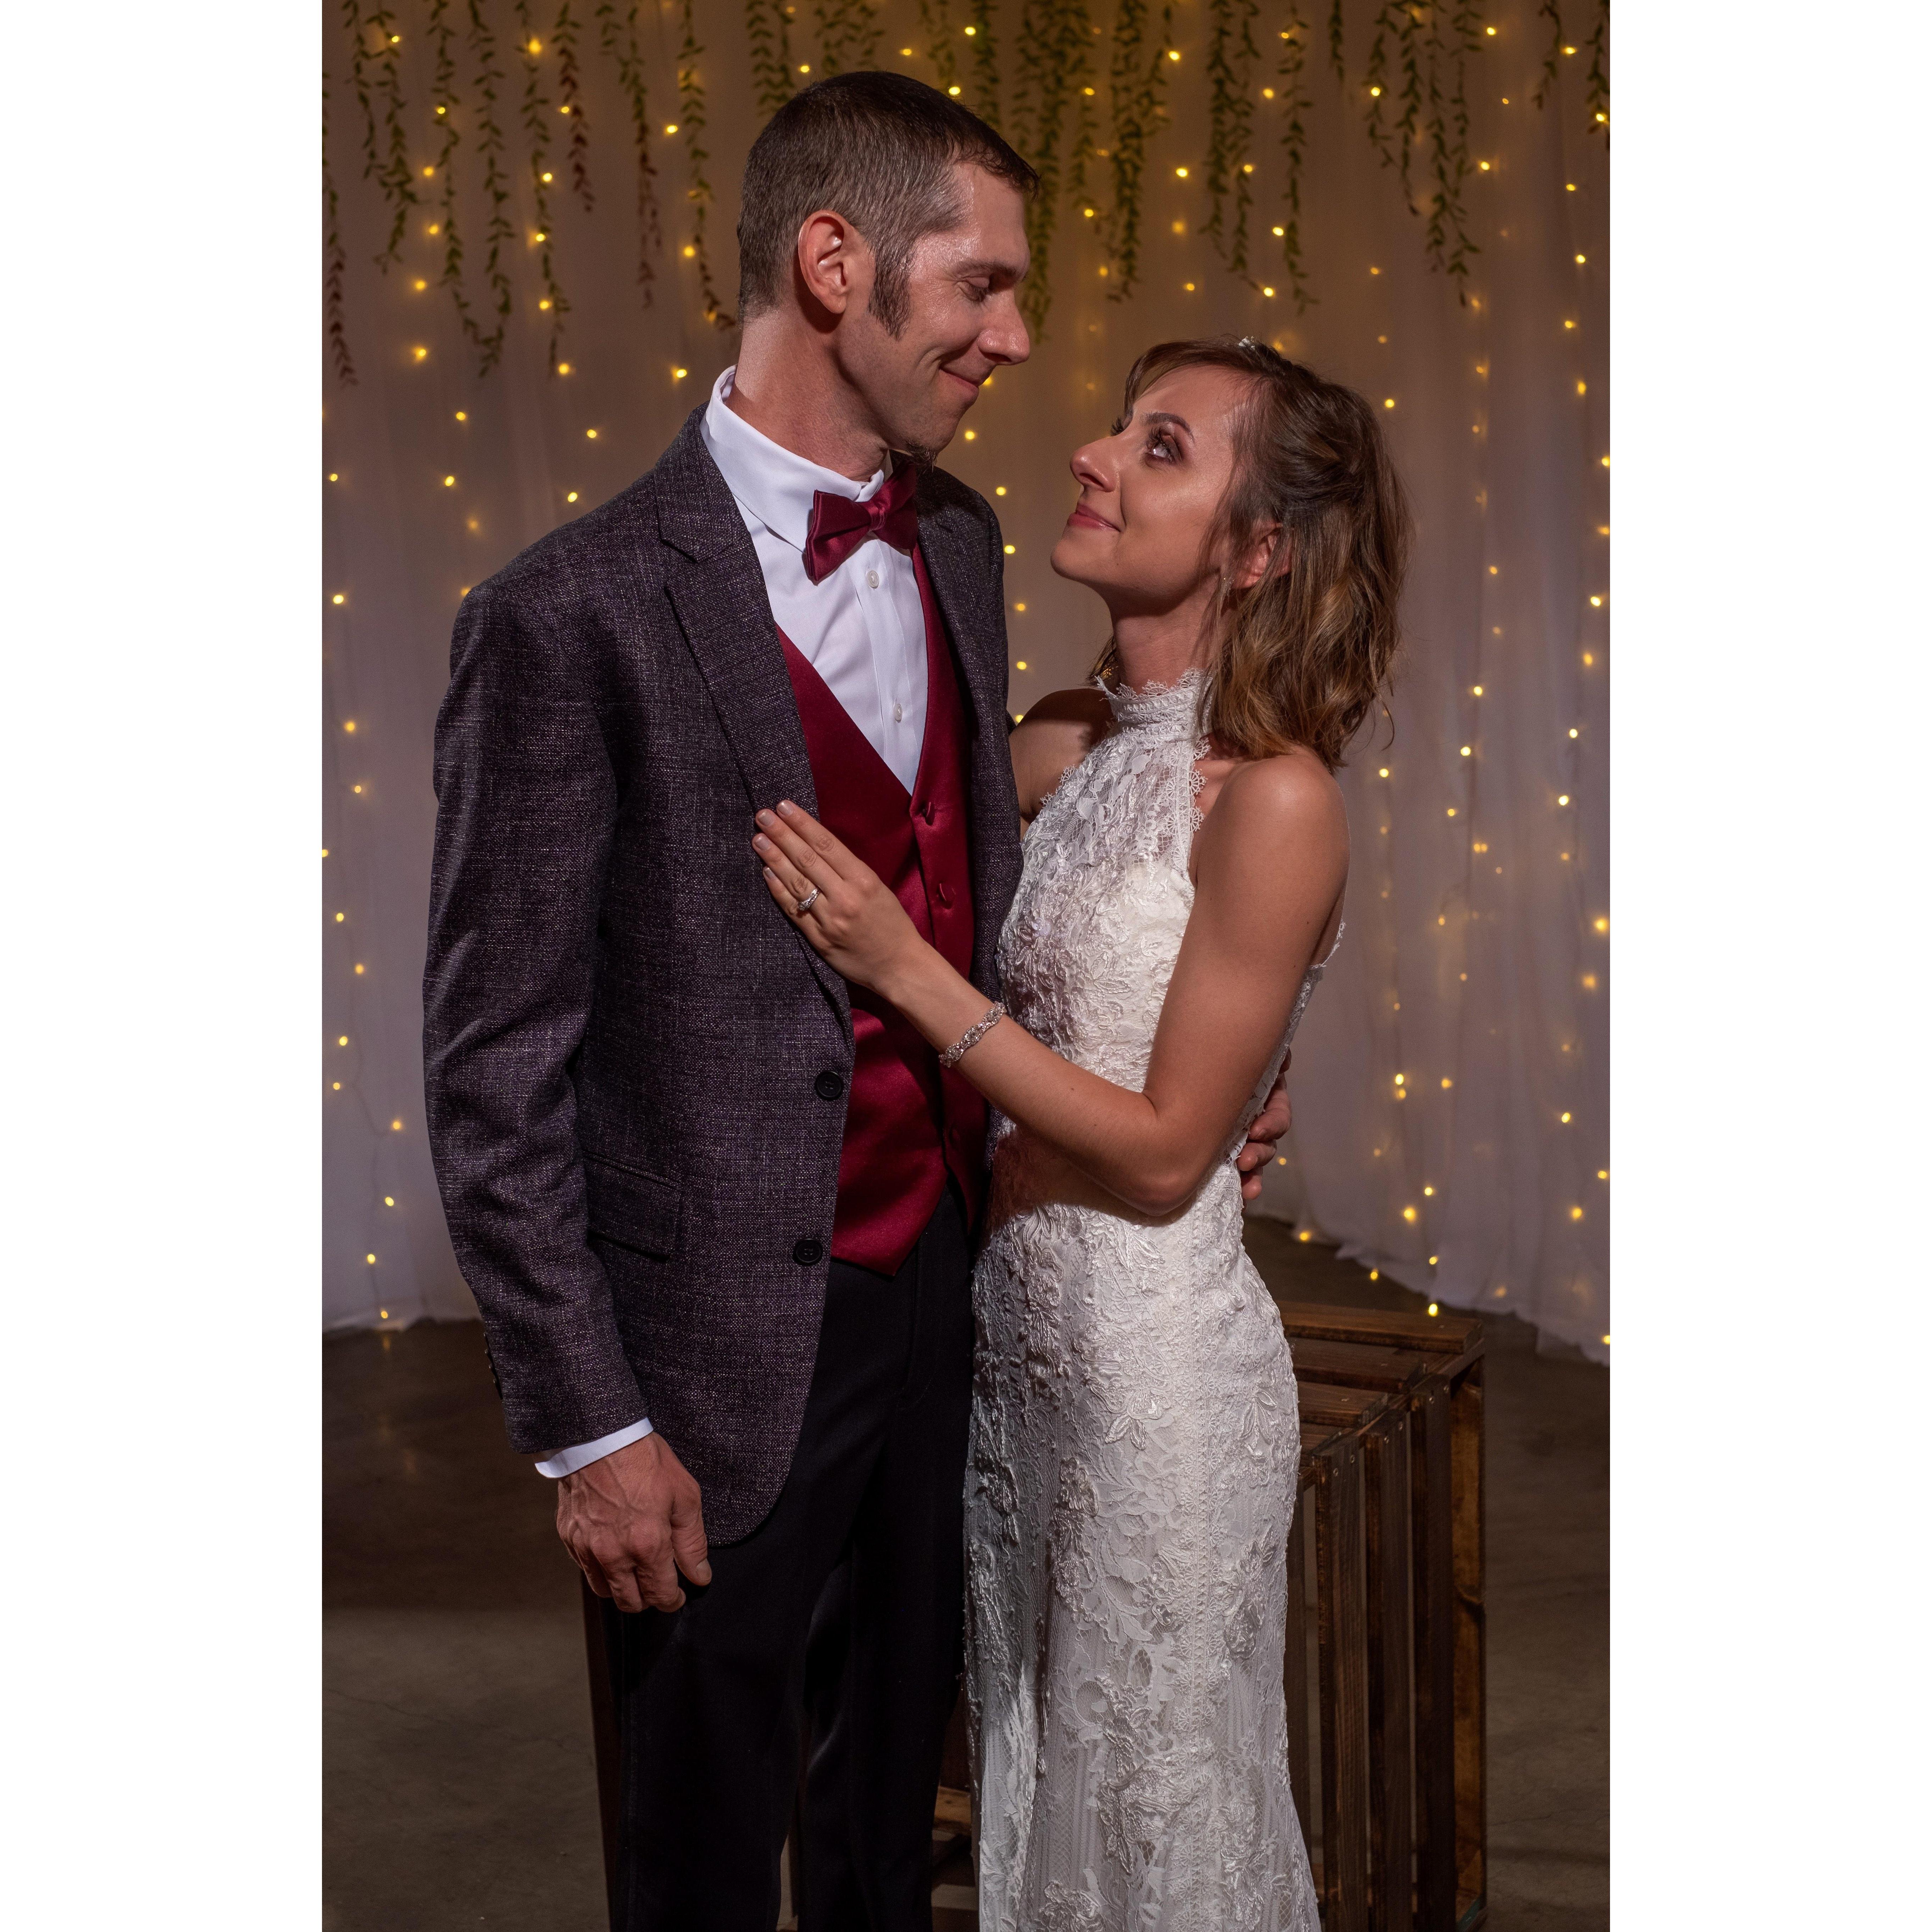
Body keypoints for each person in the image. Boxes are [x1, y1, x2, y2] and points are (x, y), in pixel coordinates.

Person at [421, 75, 1291, 1930]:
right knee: (703, 1857)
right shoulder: (562, 613)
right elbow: (495, 1074)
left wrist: (1200, 1077)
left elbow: (1056, 877)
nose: (1016, 335)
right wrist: (589, 1425)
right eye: (979, 287)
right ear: (837, 264)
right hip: (707, 1366)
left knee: (894, 1831)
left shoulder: (963, 546)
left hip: (957, 1318)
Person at [753, 335, 1411, 1931]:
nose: (1097, 456)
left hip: (1157, 1389)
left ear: (1259, 551)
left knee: (1158, 1811)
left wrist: (904, 977)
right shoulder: (1062, 741)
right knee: (1045, 1796)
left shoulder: (1276, 799)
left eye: (1162, 446)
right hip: (1017, 1363)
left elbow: (1173, 1149)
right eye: (1123, 425)